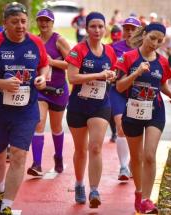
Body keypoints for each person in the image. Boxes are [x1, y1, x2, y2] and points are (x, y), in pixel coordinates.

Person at [0, 2, 48, 215]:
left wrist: (43, 76)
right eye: (14, 22)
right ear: (4, 23)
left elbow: (44, 63)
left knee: (19, 154)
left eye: (24, 21)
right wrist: (1, 84)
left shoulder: (35, 43)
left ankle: (6, 206)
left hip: (26, 110)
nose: (20, 26)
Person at [116, 22, 171, 213]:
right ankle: (138, 192)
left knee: (150, 156)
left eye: (159, 41)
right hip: (133, 112)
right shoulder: (128, 57)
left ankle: (146, 199)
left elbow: (162, 85)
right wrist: (136, 73)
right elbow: (119, 87)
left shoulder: (162, 62)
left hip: (155, 111)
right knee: (137, 157)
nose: (155, 43)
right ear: (144, 35)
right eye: (152, 38)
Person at [65, 12, 117, 208]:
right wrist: (99, 74)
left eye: (100, 26)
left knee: (95, 147)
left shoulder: (110, 51)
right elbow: (73, 78)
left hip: (100, 105)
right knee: (80, 150)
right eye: (93, 26)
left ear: (105, 29)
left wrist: (111, 76)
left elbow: (112, 73)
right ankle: (79, 184)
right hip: (78, 105)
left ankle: (94, 189)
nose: (97, 30)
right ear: (86, 28)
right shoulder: (78, 50)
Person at [27, 8, 71, 176]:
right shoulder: (34, 41)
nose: (44, 23)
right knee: (38, 123)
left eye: (47, 20)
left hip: (58, 90)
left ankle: (58, 156)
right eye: (41, 20)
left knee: (56, 126)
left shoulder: (59, 40)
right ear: (37, 23)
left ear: (52, 23)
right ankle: (37, 164)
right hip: (41, 90)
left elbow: (72, 63)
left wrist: (51, 62)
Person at [110, 16, 141, 181]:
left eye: (133, 29)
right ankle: (123, 167)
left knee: (135, 131)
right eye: (127, 29)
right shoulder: (114, 48)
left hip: (137, 94)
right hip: (118, 92)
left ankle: (131, 164)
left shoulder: (146, 49)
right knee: (121, 127)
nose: (129, 32)